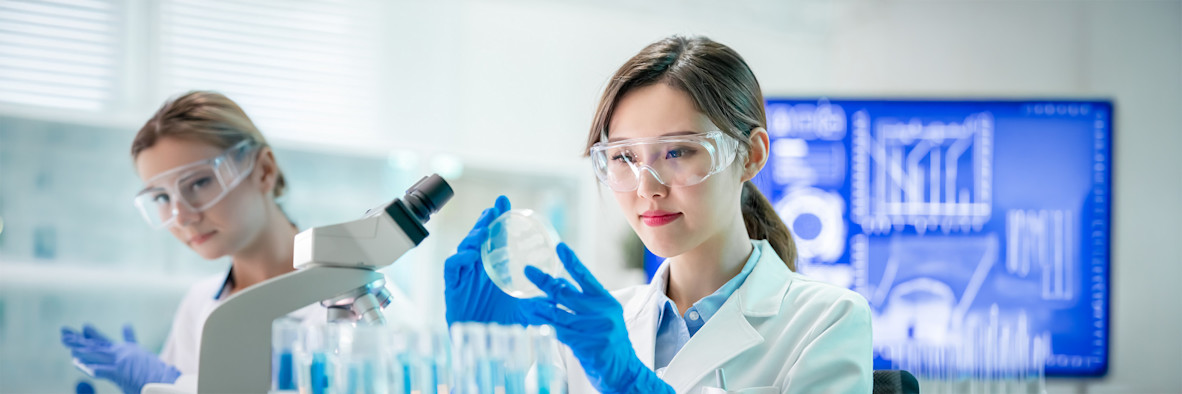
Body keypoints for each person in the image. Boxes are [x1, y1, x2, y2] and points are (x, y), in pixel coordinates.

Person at [445, 36, 872, 393]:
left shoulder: (826, 320)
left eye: (678, 152)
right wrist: (486, 363)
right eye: (624, 157)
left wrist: (632, 383)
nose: (647, 187)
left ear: (751, 156)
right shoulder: (584, 330)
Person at [59, 91, 318, 393]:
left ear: (264, 171)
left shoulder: (348, 299)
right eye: (161, 197)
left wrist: (175, 384)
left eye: (199, 182)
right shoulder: (199, 303)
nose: (180, 216)